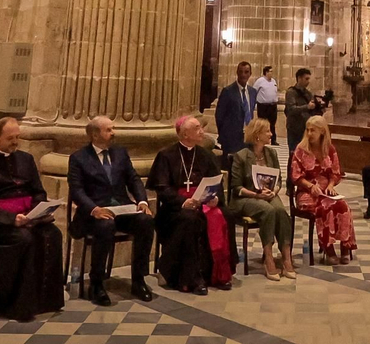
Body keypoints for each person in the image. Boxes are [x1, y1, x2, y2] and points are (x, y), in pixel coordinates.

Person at [0, 117, 64, 321]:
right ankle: (13, 303)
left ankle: (44, 301)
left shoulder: (27, 159)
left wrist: (40, 210)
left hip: (29, 217)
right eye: (10, 138)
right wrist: (13, 219)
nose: (15, 142)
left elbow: (38, 191)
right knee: (24, 239)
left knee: (53, 234)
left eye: (17, 137)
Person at [66, 116, 155, 306]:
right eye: (109, 130)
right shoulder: (79, 158)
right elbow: (77, 190)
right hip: (94, 212)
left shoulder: (120, 153)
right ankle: (96, 283)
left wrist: (142, 201)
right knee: (106, 225)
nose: (113, 133)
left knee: (146, 221)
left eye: (113, 129)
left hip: (121, 208)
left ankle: (138, 279)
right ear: (95, 134)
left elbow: (134, 179)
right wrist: (94, 209)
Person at [149, 116, 234, 294]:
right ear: (185, 134)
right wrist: (183, 201)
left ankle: (217, 274)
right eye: (197, 128)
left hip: (203, 203)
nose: (202, 131)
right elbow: (162, 188)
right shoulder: (166, 155)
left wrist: (216, 198)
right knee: (190, 219)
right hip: (175, 209)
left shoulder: (206, 155)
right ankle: (191, 278)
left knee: (226, 215)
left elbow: (216, 182)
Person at [228, 117, 294, 281]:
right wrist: (257, 195)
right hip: (245, 198)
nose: (271, 134)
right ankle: (269, 257)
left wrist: (274, 191)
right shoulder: (241, 156)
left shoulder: (271, 153)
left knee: (280, 210)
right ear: (257, 135)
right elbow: (236, 188)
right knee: (268, 210)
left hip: (268, 194)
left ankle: (286, 256)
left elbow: (278, 179)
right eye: (268, 131)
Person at [290, 116, 356, 264]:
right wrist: (310, 186)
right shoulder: (301, 150)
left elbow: (335, 172)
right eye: (307, 130)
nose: (309, 133)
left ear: (322, 132)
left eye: (312, 130)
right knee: (324, 208)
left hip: (326, 190)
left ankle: (345, 246)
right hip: (307, 191)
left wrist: (331, 185)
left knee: (343, 206)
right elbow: (296, 176)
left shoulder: (330, 149)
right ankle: (328, 248)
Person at [214, 61, 255, 157]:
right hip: (231, 138)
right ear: (237, 72)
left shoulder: (253, 92)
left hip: (247, 137)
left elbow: (250, 111)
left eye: (246, 72)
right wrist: (225, 134)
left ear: (250, 74)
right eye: (241, 72)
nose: (243, 75)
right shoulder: (228, 91)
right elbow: (219, 116)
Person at [285, 68, 317, 145]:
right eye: (306, 79)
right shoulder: (291, 92)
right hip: (294, 128)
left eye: (309, 79)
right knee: (294, 152)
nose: (308, 81)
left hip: (306, 127)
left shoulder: (308, 93)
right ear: (299, 78)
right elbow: (291, 109)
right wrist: (307, 107)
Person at [253, 65, 280, 145]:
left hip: (272, 106)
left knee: (272, 123)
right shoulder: (260, 81)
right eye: (270, 71)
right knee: (262, 123)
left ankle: (273, 140)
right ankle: (261, 138)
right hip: (263, 106)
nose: (272, 73)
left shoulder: (273, 81)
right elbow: (254, 92)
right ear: (266, 72)